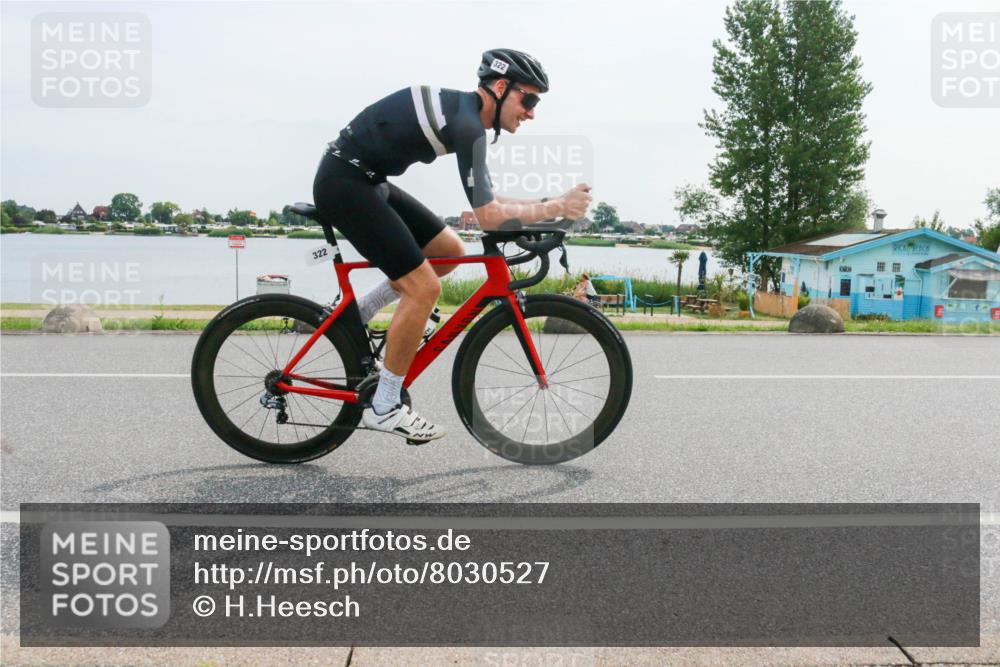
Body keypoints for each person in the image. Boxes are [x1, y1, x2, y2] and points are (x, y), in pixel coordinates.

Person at [312, 49, 593, 444]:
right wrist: (557, 207)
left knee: (450, 250)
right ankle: (384, 406)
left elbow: (488, 202)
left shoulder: (467, 117)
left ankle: (361, 312)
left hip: (367, 180)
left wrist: (551, 206)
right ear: (500, 88)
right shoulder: (467, 124)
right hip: (345, 184)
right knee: (424, 287)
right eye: (527, 100)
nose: (531, 112)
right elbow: (489, 217)